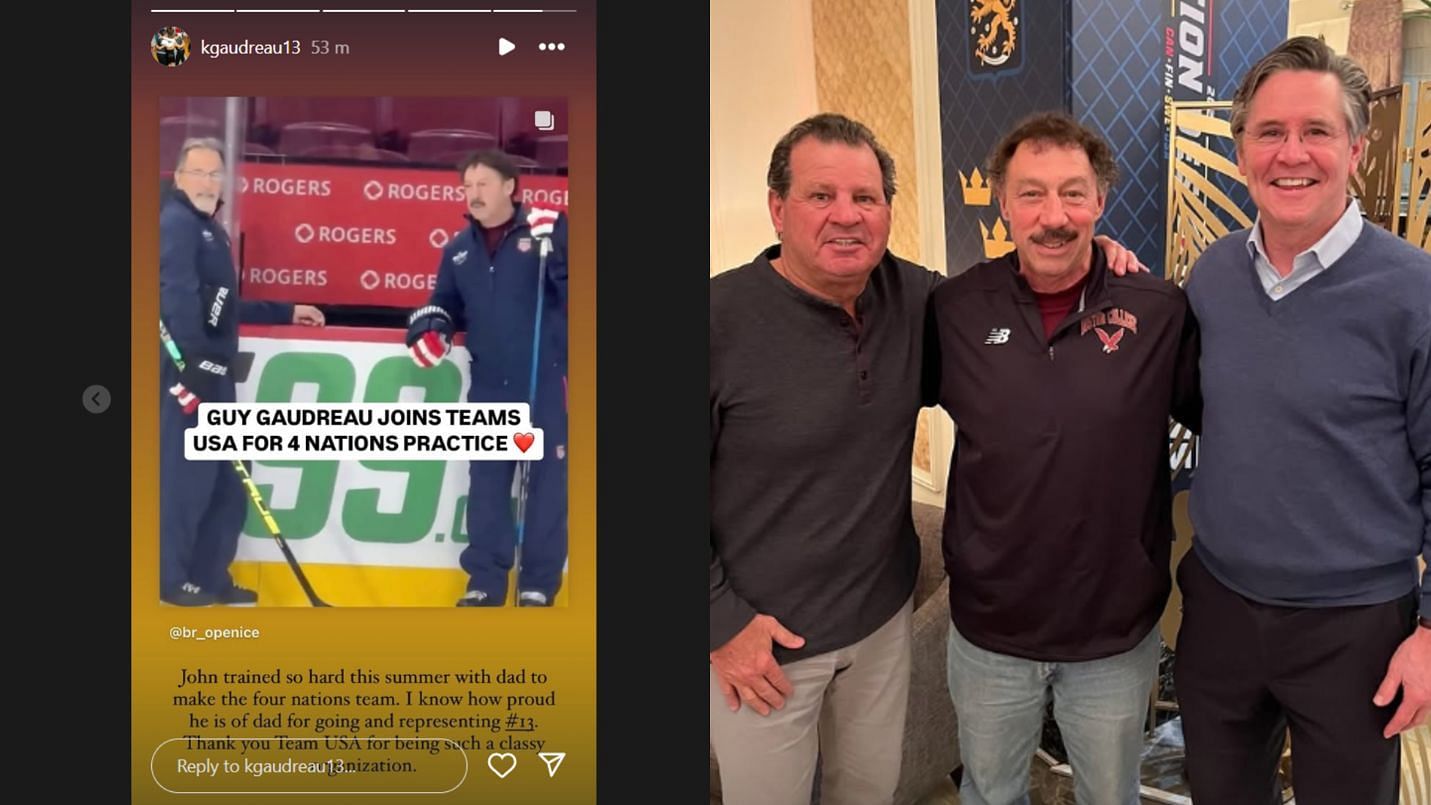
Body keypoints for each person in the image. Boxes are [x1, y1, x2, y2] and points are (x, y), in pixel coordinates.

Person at [708, 112, 1142, 805]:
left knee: (871, 794)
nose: (846, 217)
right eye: (821, 196)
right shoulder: (715, 318)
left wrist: (1089, 256)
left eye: (866, 198)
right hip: (762, 643)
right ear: (776, 208)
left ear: (886, 210)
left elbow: (1026, 291)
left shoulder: (920, 300)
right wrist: (720, 622)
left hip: (881, 623)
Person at [1168, 37, 1430, 805]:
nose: (1292, 154)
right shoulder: (1212, 274)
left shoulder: (1414, 294)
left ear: (1354, 147)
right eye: (1268, 132)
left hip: (1356, 630)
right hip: (1217, 607)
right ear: (1241, 148)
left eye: (1315, 131)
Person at [924, 111, 1201, 805]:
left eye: (1073, 193)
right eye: (1031, 193)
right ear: (1000, 202)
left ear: (1100, 201)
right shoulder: (953, 307)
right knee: (990, 793)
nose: (1054, 215)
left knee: (1110, 796)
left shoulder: (1160, 310)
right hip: (991, 627)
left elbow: (1227, 423)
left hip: (1111, 630)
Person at [159, 137, 325, 607]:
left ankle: (210, 576)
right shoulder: (176, 224)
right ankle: (170, 578)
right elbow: (176, 298)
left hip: (215, 371)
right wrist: (192, 365)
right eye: (199, 173)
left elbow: (224, 305)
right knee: (185, 477)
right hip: (188, 374)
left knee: (228, 478)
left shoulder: (211, 229)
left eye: (216, 174)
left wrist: (284, 310)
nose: (209, 181)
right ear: (179, 176)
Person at [404, 149, 568, 608]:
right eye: (467, 186)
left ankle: (538, 585)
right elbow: (442, 303)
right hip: (490, 388)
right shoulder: (458, 249)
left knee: (547, 490)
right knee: (488, 488)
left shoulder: (550, 231)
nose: (473, 194)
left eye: (483, 185)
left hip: (546, 381)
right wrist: (430, 329)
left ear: (510, 187)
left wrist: (554, 253)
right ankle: (484, 583)